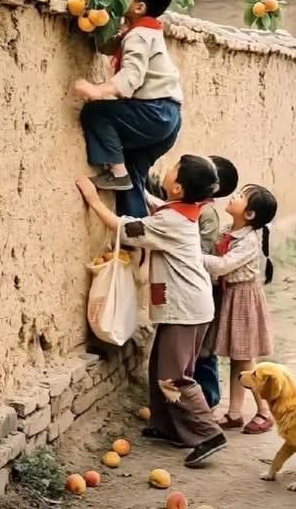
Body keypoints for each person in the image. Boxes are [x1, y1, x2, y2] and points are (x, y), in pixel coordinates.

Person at [76, 155, 227, 467]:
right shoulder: (180, 211)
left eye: (173, 170)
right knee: (161, 367)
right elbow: (158, 207)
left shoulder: (172, 221)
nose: (167, 171)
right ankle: (168, 427)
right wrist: (139, 187)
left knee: (174, 377)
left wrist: (93, 200)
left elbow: (127, 228)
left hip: (185, 310)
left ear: (178, 187)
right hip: (188, 307)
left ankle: (208, 434)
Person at [74, 0, 182, 218]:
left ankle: (117, 173)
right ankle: (134, 231)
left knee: (96, 113)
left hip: (154, 112)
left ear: (138, 7)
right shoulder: (143, 31)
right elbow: (109, 45)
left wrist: (99, 90)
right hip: (169, 118)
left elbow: (132, 73)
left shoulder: (138, 35)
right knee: (134, 172)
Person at [147, 156, 239, 409]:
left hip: (195, 293)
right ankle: (177, 415)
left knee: (201, 356)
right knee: (183, 360)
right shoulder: (186, 206)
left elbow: (202, 251)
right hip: (189, 296)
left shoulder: (204, 213)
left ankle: (206, 400)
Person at [203, 184, 277, 434]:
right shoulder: (229, 231)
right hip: (232, 296)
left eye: (241, 196)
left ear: (250, 214)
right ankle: (234, 413)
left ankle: (265, 412)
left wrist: (189, 255)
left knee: (245, 361)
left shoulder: (249, 241)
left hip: (243, 299)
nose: (234, 196)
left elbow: (222, 266)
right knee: (239, 358)